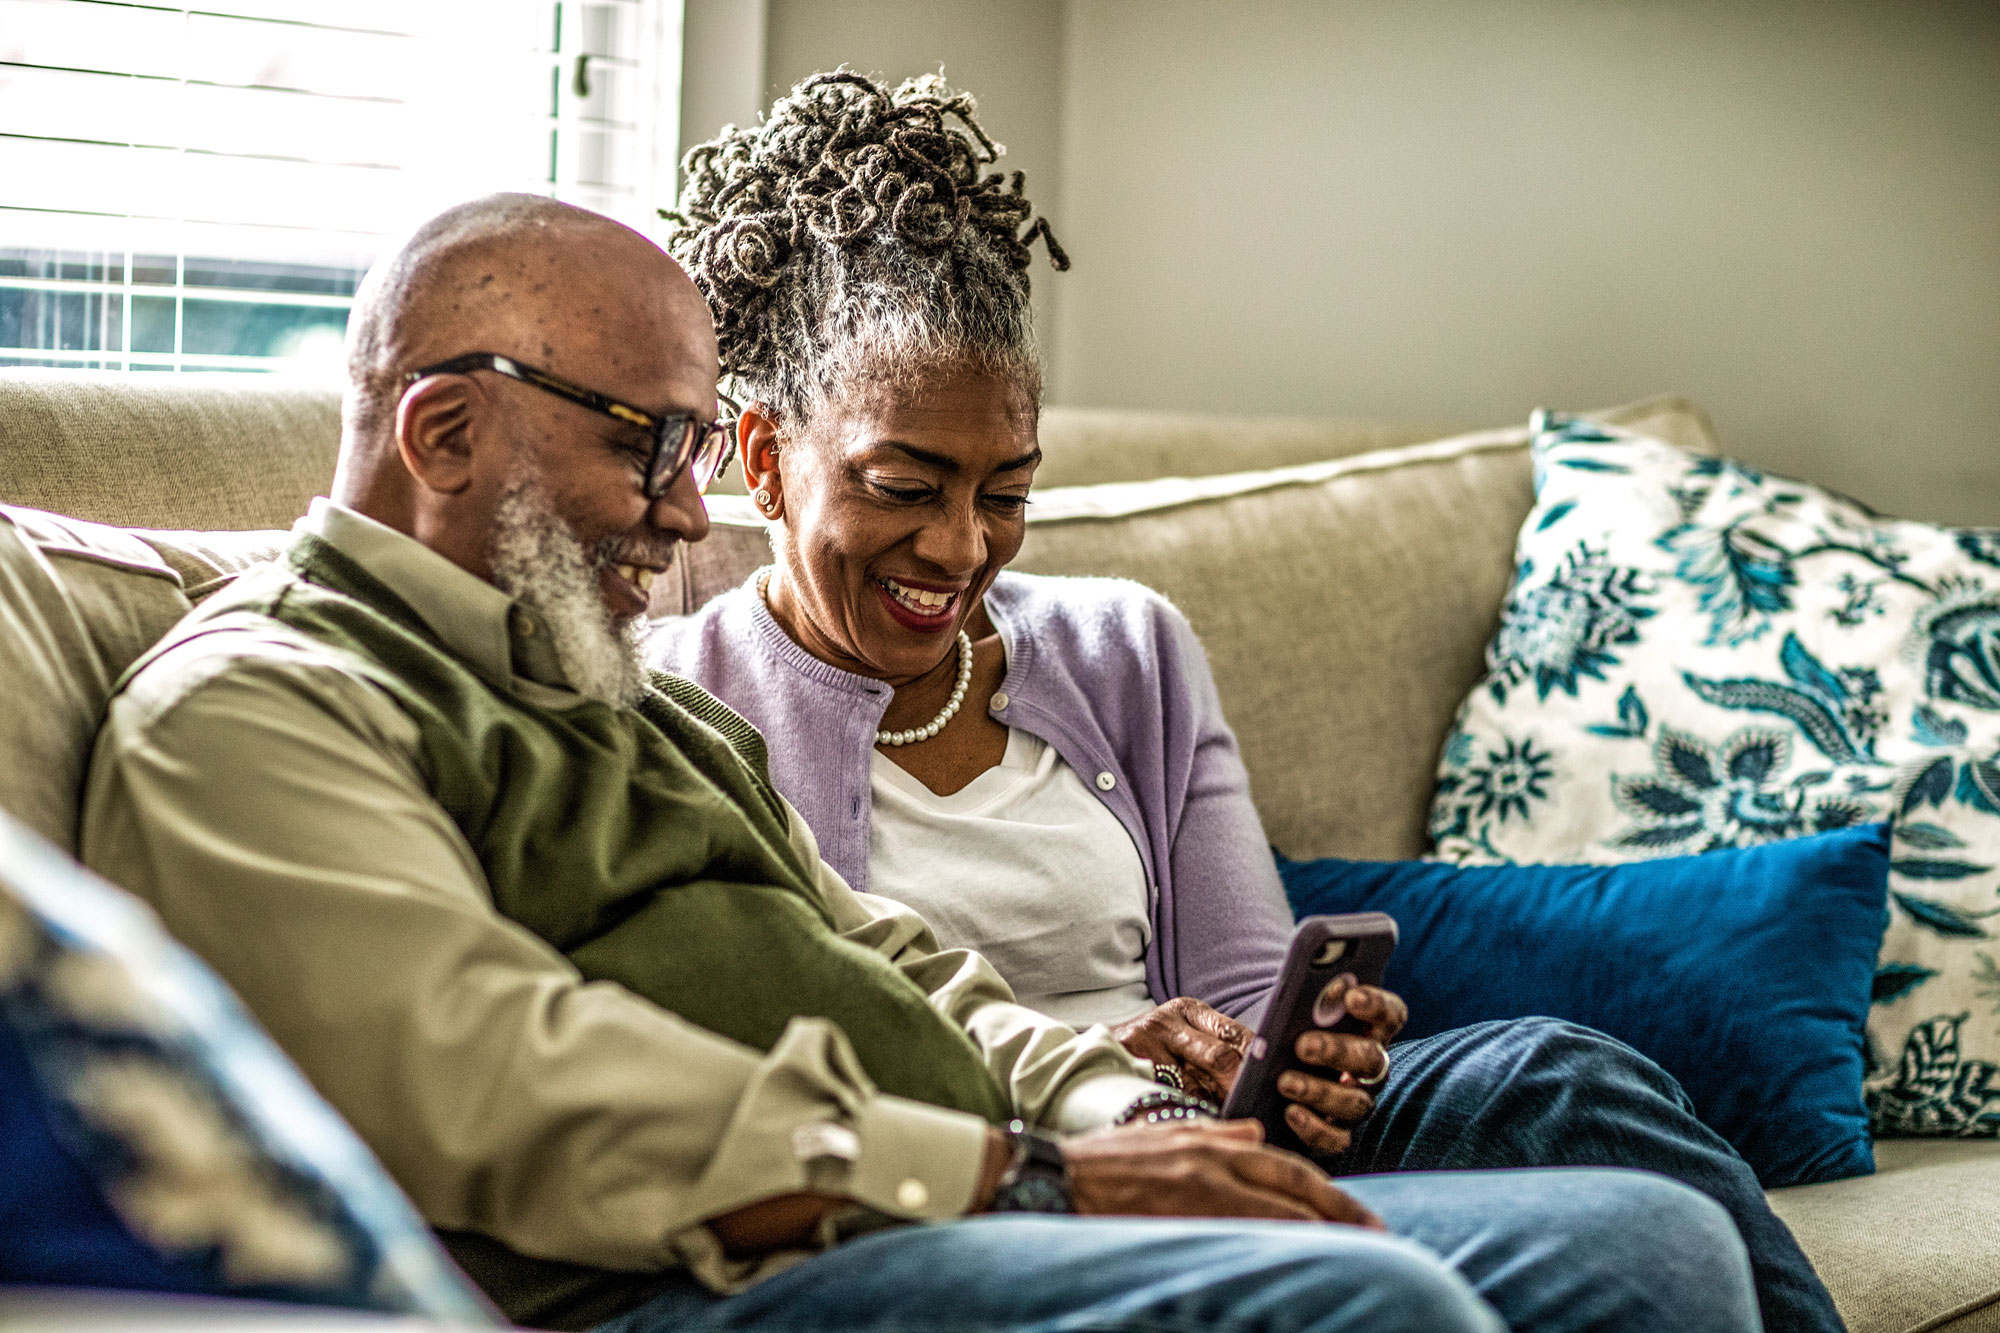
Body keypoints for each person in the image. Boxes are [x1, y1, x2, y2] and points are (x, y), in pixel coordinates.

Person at [80, 190, 1756, 1333]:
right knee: (1366, 1301)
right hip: (692, 1278)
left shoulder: (622, 706)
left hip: (983, 1193)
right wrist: (1042, 1170)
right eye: (646, 443)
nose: (682, 514)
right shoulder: (262, 705)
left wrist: (1133, 1114)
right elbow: (500, 1075)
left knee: (1648, 1246)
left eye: (685, 446)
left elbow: (907, 966)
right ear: (443, 430)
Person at [649, 71, 1844, 1333]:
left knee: (1553, 1075)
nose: (959, 546)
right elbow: (763, 1084)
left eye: (1004, 490)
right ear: (764, 455)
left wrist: (1300, 1061)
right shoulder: (671, 705)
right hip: (990, 1186)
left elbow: (1239, 998)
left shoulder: (1124, 647)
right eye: (904, 484)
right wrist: (1097, 1082)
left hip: (1215, 1140)